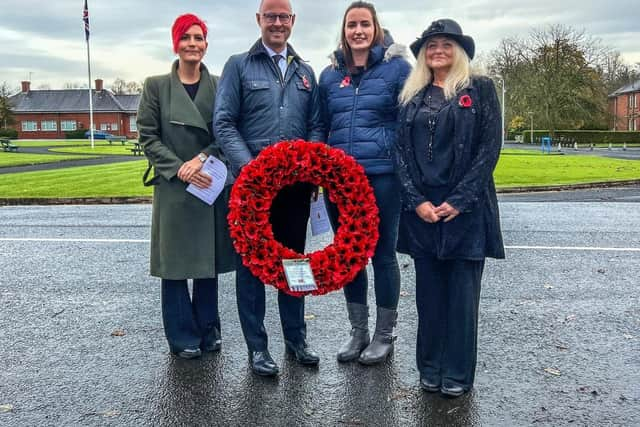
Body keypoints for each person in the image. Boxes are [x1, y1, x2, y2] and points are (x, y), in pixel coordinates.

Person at [394, 19, 505, 397]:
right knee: (429, 297)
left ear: (459, 51)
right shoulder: (412, 95)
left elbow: (489, 149)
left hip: (466, 213)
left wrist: (458, 201)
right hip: (422, 212)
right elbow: (400, 153)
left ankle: (457, 373)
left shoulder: (481, 89)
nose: (437, 50)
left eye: (445, 44)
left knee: (461, 300)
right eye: (430, 45)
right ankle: (430, 367)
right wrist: (417, 201)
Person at [214, 0, 323, 376]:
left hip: (294, 190)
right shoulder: (238, 66)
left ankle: (296, 339)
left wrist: (311, 169)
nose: (277, 23)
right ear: (259, 20)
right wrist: (252, 170)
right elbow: (224, 123)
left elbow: (316, 127)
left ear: (292, 21)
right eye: (270, 16)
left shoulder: (306, 72)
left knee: (294, 263)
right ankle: (257, 347)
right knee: (253, 267)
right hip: (252, 190)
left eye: (283, 17)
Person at [137, 14, 235, 359]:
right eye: (186, 38)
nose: (192, 44)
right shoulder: (156, 86)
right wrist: (179, 168)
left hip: (208, 183)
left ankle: (209, 329)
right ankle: (182, 336)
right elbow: (148, 136)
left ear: (206, 45)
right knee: (176, 266)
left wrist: (203, 159)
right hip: (174, 188)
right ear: (175, 43)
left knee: (207, 264)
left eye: (199, 38)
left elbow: (226, 131)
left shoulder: (221, 84)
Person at [318, 1, 411, 365]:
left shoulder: (398, 69)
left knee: (382, 254)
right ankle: (358, 331)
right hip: (340, 182)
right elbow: (322, 125)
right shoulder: (329, 76)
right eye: (351, 25)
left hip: (382, 178)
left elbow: (408, 124)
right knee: (349, 256)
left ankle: (384, 334)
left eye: (364, 24)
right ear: (344, 31)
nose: (358, 31)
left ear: (376, 29)